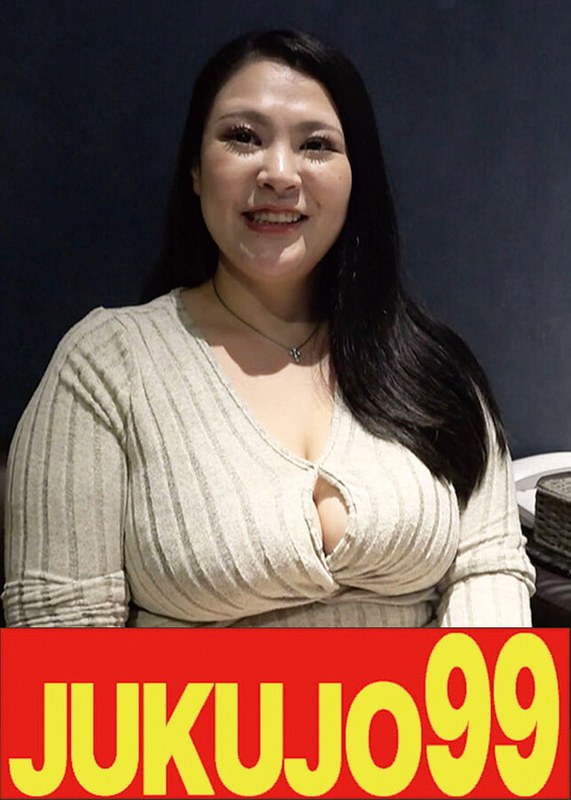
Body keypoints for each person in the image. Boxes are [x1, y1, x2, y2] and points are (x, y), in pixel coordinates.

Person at [2, 29, 534, 627]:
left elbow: (489, 569)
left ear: (354, 177)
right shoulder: (103, 368)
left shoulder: (433, 368)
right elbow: (62, 640)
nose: (279, 173)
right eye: (243, 137)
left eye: (316, 145)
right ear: (196, 170)